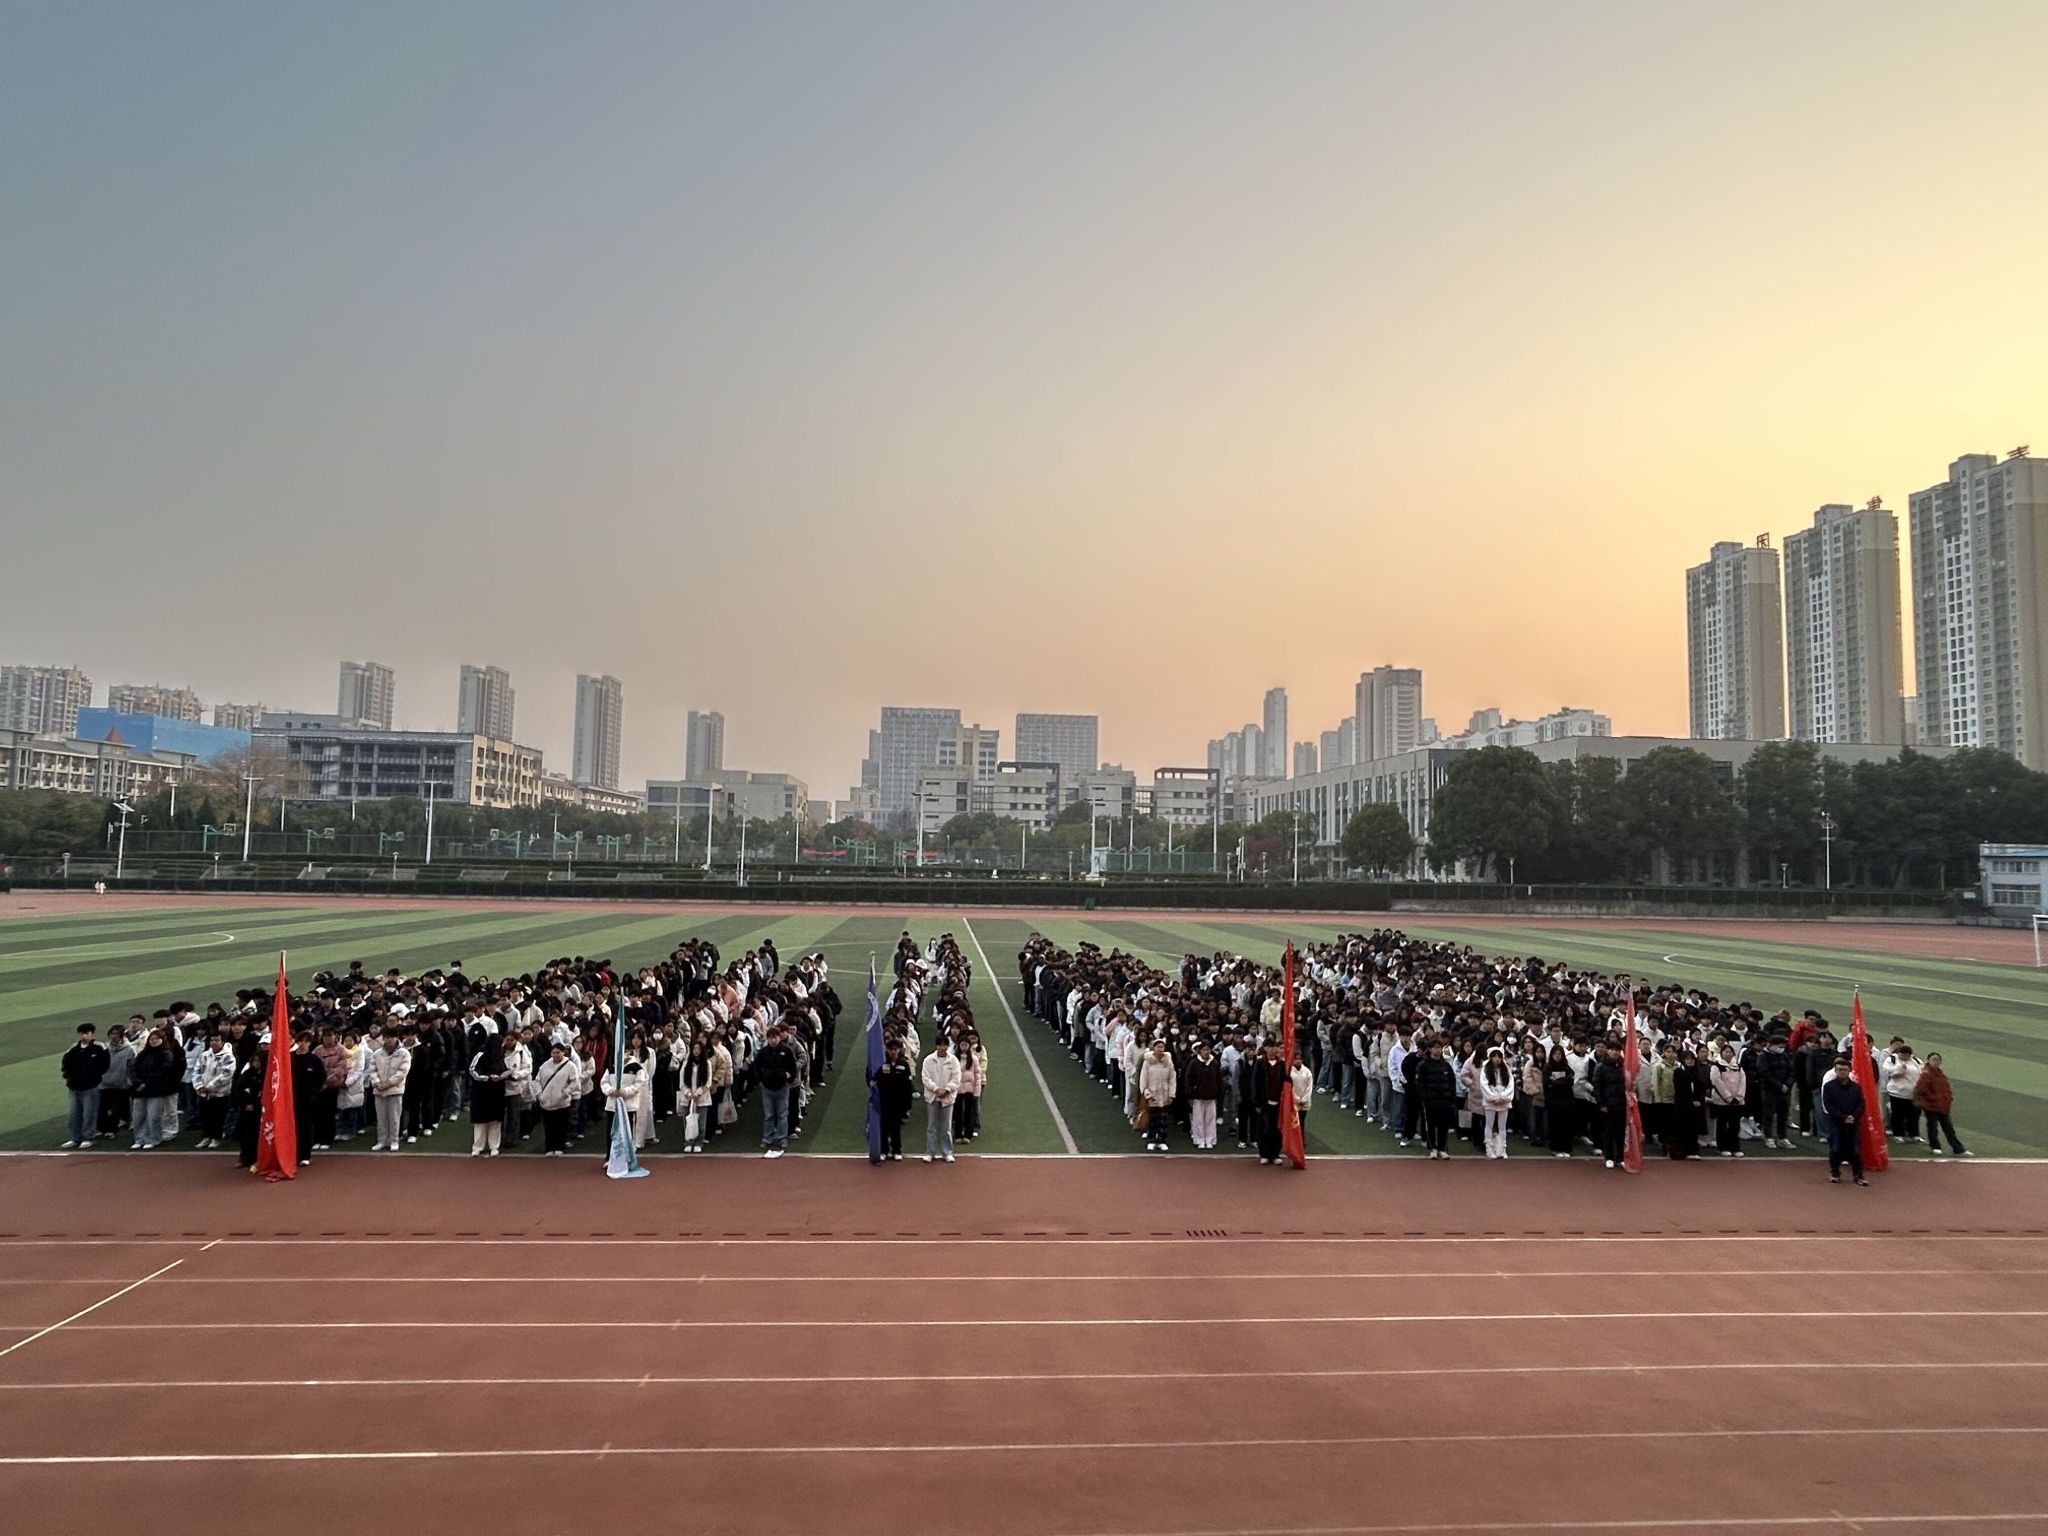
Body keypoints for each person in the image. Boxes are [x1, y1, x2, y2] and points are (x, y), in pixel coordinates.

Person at [129, 1026, 182, 1150]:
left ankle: (153, 1139)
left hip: (157, 1090)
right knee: (138, 1117)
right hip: (139, 1090)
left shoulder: (166, 1054)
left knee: (153, 1117)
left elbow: (163, 1070)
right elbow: (133, 1068)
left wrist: (146, 1083)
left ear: (162, 1040)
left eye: (156, 1039)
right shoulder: (143, 1054)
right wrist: (137, 1082)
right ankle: (139, 1139)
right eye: (151, 1039)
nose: (153, 1041)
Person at [1820, 1055, 1870, 1186]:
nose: (1842, 1072)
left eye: (1845, 1069)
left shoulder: (1856, 1087)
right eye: (1839, 1069)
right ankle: (1835, 1173)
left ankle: (1858, 1175)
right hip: (1836, 1123)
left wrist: (1854, 1116)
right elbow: (1828, 1105)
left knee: (1855, 1150)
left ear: (1849, 1071)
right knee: (1836, 1148)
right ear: (1835, 1071)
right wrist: (1843, 1117)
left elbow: (1861, 1104)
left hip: (1853, 1123)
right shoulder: (1829, 1087)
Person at [60, 1024, 109, 1149]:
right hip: (74, 1086)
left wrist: (94, 1077)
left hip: (91, 1086)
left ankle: (88, 1137)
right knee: (73, 1114)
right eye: (82, 1033)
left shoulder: (99, 1047)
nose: (84, 1036)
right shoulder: (73, 1048)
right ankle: (75, 1138)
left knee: (89, 1113)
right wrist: (68, 1077)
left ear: (92, 1034)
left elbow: (105, 1065)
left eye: (87, 1033)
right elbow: (65, 1064)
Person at [754, 1025, 799, 1159]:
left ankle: (782, 1138)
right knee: (768, 1115)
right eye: (770, 1038)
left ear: (779, 1038)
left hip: (782, 1087)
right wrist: (760, 1080)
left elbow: (793, 1067)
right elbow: (756, 1067)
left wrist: (788, 1079)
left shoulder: (787, 1051)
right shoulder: (763, 1052)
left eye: (775, 1038)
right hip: (767, 1087)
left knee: (782, 1114)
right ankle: (767, 1138)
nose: (773, 1040)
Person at [1913, 1052, 1970, 1156]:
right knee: (1933, 1127)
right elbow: (1921, 1090)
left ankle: (1958, 1149)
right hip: (1931, 1106)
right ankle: (1935, 1147)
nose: (1936, 1062)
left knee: (1948, 1128)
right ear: (1928, 1061)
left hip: (1942, 1105)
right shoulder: (1926, 1074)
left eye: (1937, 1060)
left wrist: (1948, 1099)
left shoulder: (1940, 1074)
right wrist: (1933, 1099)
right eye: (1933, 1059)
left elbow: (1946, 1089)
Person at [534, 1041, 579, 1155]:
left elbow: (575, 1082)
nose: (556, 1055)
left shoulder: (570, 1066)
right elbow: (537, 1081)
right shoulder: (545, 1065)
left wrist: (566, 1092)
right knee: (548, 1126)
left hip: (562, 1102)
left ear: (563, 1053)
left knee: (561, 1126)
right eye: (553, 1053)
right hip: (546, 1102)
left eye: (558, 1052)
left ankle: (559, 1146)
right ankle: (549, 1147)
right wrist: (539, 1094)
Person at [874, 1037, 915, 1161]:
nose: (893, 1052)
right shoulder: (882, 1064)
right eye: (891, 1049)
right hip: (885, 1102)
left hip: (898, 1103)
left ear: (899, 1050)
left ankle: (897, 1150)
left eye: (895, 1049)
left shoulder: (904, 1065)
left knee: (896, 1128)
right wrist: (872, 1081)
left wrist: (907, 1105)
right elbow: (874, 1077)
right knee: (884, 1128)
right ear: (887, 1050)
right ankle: (884, 1151)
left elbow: (908, 1086)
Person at [369, 1030, 411, 1151]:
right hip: (379, 1090)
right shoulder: (377, 1053)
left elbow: (402, 1072)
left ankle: (394, 1140)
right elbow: (372, 1070)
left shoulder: (404, 1053)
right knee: (381, 1118)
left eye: (392, 1037)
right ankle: (381, 1140)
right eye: (387, 1037)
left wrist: (389, 1083)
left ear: (397, 1038)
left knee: (394, 1117)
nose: (389, 1040)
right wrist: (376, 1083)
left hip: (395, 1090)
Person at [922, 1035, 961, 1163]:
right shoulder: (928, 1060)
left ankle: (947, 1152)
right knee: (931, 1127)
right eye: (940, 1045)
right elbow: (926, 1078)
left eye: (945, 1045)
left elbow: (956, 1078)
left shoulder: (953, 1061)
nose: (943, 1048)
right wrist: (936, 1089)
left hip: (947, 1098)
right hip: (932, 1097)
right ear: (936, 1046)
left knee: (946, 1127)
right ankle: (930, 1152)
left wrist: (947, 1090)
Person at [193, 1030, 235, 1148]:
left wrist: (210, 1086)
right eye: (212, 1040)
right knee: (205, 1116)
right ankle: (206, 1137)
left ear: (222, 1042)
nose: (214, 1043)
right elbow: (197, 1071)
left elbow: (226, 1074)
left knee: (218, 1117)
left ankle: (217, 1138)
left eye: (217, 1040)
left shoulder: (228, 1056)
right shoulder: (205, 1055)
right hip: (203, 1093)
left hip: (220, 1093)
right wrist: (199, 1086)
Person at [467, 1034, 507, 1157]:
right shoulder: (480, 1055)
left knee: (495, 1121)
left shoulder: (500, 1056)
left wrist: (505, 1075)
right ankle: (477, 1147)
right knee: (480, 1121)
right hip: (481, 1093)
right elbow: (472, 1070)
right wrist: (488, 1078)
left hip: (497, 1092)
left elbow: (504, 1070)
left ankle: (494, 1146)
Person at [1138, 1038, 1177, 1153]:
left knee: (1163, 1119)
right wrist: (1146, 1092)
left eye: (1162, 1047)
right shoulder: (1147, 1062)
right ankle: (1151, 1140)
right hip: (1152, 1094)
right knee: (1152, 1118)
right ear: (1153, 1048)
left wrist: (1171, 1094)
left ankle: (1161, 1140)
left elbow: (1172, 1078)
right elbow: (1143, 1078)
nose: (1160, 1049)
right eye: (1158, 1047)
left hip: (1164, 1094)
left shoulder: (1168, 1062)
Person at [1184, 1038, 1223, 1151]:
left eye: (1208, 1049)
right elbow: (1189, 1080)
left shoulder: (1215, 1063)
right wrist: (1189, 1094)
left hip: (1211, 1096)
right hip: (1198, 1096)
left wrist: (1219, 1094)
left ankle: (1210, 1140)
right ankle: (1199, 1140)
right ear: (1200, 1051)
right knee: (1198, 1119)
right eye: (1204, 1050)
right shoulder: (1194, 1063)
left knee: (1210, 1119)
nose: (1206, 1052)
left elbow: (1219, 1080)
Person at [1709, 1046, 1747, 1158]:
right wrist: (1728, 1097)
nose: (1728, 1054)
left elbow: (1743, 1082)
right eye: (1725, 1052)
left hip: (1737, 1102)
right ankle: (1722, 1147)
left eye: (1730, 1052)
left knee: (1735, 1125)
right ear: (1721, 1053)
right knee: (1722, 1125)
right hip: (1721, 1101)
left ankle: (1735, 1147)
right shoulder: (1716, 1066)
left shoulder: (1738, 1067)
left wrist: (1738, 1097)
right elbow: (1717, 1082)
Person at [1479, 1047, 1516, 1160]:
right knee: (1489, 1125)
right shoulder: (1485, 1069)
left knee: (1502, 1126)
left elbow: (1510, 1085)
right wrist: (1492, 1097)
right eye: (1494, 1056)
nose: (1497, 1058)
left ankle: (1502, 1149)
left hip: (1503, 1101)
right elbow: (1483, 1084)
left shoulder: (1506, 1069)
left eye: (1499, 1056)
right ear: (1490, 1057)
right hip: (1491, 1101)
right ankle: (1489, 1149)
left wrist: (1503, 1097)